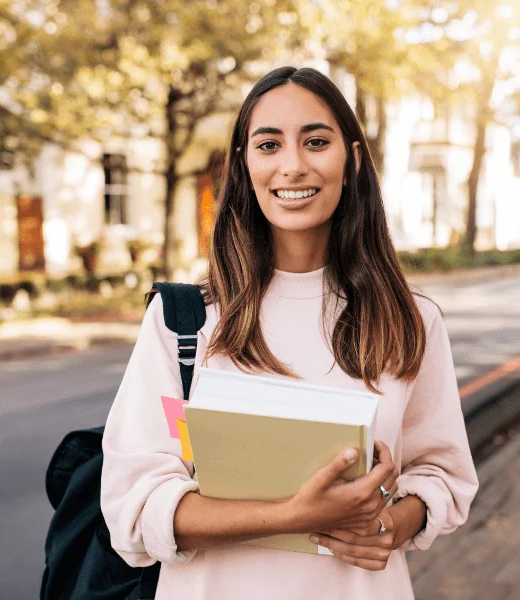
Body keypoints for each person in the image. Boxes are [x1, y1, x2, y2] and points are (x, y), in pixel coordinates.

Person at [101, 66, 478, 599]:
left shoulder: (410, 320)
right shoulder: (183, 322)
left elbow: (441, 474)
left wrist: (394, 526)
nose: (293, 166)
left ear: (350, 161)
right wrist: (293, 514)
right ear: (244, 163)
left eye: (316, 142)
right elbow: (133, 509)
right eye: (269, 144)